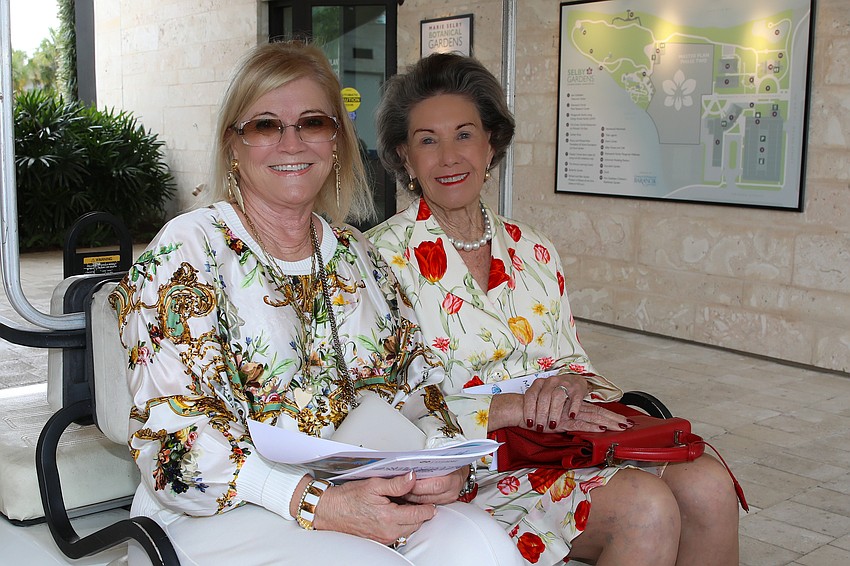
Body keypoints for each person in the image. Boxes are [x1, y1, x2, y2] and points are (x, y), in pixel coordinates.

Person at [110, 42, 523, 566]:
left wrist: (443, 461)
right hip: (220, 510)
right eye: (264, 125)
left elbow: (419, 389)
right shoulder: (188, 250)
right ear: (233, 145)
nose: (291, 142)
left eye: (312, 122)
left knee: (485, 548)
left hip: (361, 493)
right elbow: (178, 445)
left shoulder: (359, 256)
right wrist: (317, 502)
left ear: (335, 141)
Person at [367, 52, 742, 566]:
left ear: (491, 143)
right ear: (405, 158)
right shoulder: (374, 262)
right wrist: (510, 409)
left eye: (464, 134)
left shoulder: (534, 250)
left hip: (561, 447)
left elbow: (575, 366)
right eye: (428, 140)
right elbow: (378, 406)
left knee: (708, 485)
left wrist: (570, 386)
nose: (449, 156)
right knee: (644, 507)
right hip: (466, 470)